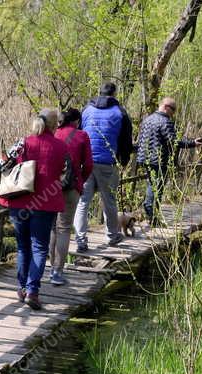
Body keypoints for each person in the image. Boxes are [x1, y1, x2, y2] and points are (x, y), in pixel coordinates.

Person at [0, 108, 70, 310]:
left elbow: (0, 166)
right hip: (45, 204)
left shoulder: (23, 143)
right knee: (39, 247)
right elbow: (66, 174)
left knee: (23, 247)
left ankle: (21, 288)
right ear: (55, 125)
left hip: (20, 202)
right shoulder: (61, 146)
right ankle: (33, 291)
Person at [74, 82, 134, 251]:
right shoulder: (120, 113)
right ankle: (112, 236)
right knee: (109, 201)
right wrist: (123, 160)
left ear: (99, 93)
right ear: (114, 94)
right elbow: (126, 141)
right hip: (108, 162)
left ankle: (81, 240)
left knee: (82, 202)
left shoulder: (86, 110)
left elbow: (78, 133)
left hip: (86, 162)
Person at [136, 96, 202, 225]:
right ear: (166, 107)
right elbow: (173, 141)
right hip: (158, 160)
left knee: (152, 184)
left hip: (145, 158)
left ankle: (151, 214)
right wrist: (192, 143)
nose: (173, 113)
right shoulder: (165, 121)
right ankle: (152, 215)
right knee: (156, 188)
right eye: (173, 110)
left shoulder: (147, 119)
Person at [49, 108, 93, 286]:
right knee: (64, 228)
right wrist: (80, 179)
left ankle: (52, 266)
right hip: (71, 186)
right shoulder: (82, 136)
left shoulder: (53, 133)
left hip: (50, 188)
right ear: (76, 121)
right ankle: (57, 272)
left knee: (53, 226)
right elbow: (88, 164)